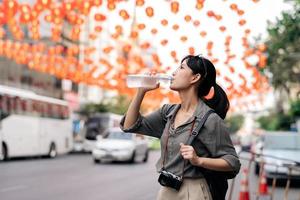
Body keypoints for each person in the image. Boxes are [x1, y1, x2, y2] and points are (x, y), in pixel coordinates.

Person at [120, 55, 241, 200]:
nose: (174, 73)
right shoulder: (168, 112)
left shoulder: (210, 119)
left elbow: (232, 162)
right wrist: (141, 92)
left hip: (194, 191)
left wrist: (198, 160)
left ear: (195, 78)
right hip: (167, 190)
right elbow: (129, 126)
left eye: (181, 68)